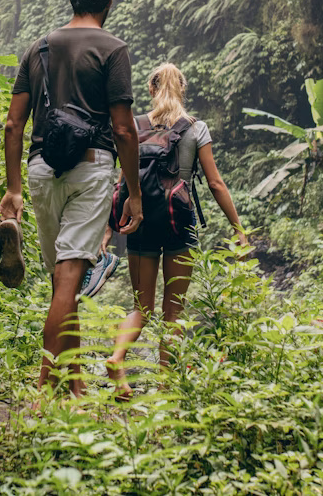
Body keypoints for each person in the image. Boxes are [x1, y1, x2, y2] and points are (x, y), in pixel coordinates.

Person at [0, 0, 144, 398]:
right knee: (71, 276)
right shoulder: (112, 49)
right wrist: (132, 192)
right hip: (90, 169)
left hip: (40, 169)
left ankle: (72, 381)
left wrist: (13, 188)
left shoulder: (38, 49)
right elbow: (125, 130)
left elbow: (13, 125)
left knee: (63, 279)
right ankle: (46, 380)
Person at [105, 63, 249, 400]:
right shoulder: (196, 129)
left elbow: (121, 182)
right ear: (181, 89)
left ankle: (117, 358)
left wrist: (109, 229)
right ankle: (165, 387)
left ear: (151, 89)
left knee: (142, 306)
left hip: (138, 219)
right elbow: (214, 183)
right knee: (174, 311)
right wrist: (237, 227)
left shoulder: (135, 126)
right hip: (178, 222)